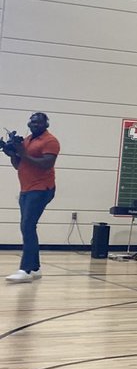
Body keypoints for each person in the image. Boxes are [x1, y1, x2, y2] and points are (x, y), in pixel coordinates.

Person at [5, 112, 61, 283]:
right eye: (32, 121)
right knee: (27, 226)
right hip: (26, 189)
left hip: (42, 189)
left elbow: (46, 164)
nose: (35, 124)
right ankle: (35, 268)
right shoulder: (28, 140)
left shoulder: (50, 141)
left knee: (27, 226)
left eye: (39, 122)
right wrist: (12, 153)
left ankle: (25, 269)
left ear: (46, 124)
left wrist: (22, 153)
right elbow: (18, 165)